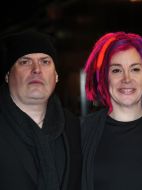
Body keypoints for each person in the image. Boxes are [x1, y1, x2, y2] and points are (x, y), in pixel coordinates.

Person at [81, 32, 142, 190]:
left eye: (135, 69)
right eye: (116, 70)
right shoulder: (80, 132)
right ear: (104, 77)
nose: (126, 79)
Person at [0, 31, 81, 190]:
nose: (36, 69)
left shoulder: (73, 126)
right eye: (25, 62)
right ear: (8, 75)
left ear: (56, 75)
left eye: (45, 62)